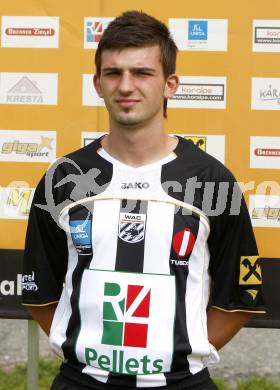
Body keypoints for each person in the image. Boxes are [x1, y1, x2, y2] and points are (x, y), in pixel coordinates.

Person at [22, 11, 265, 390]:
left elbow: (240, 296)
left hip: (183, 382)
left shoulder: (211, 180)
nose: (126, 85)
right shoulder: (64, 178)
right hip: (82, 381)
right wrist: (86, 346)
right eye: (114, 73)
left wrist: (176, 355)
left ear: (170, 85)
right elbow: (41, 292)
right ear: (97, 83)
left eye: (142, 73)